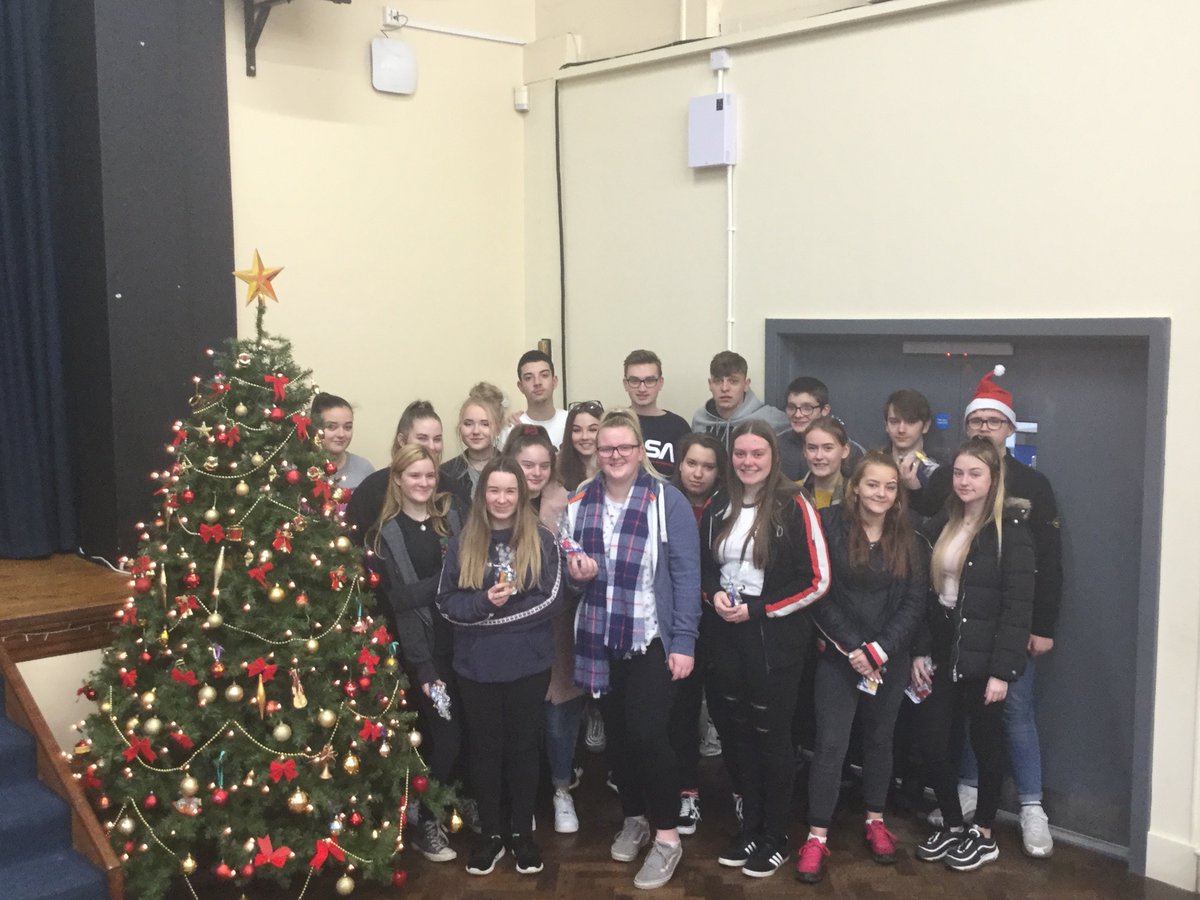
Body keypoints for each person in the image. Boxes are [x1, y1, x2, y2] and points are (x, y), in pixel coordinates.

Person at [911, 368, 1062, 858]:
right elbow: (925, 579)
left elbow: (1034, 579)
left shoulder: (1022, 508)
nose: (964, 481)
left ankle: (1015, 815)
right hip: (949, 644)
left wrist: (1031, 638)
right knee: (944, 735)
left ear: (1008, 429)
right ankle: (961, 813)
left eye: (993, 421)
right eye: (976, 421)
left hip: (997, 643)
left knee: (1004, 724)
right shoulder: (945, 512)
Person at [566, 410, 701, 890]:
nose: (616, 455)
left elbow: (686, 575)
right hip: (598, 639)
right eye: (607, 448)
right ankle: (635, 817)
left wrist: (684, 641)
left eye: (625, 447)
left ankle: (667, 837)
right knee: (619, 739)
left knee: (648, 734)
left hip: (651, 639)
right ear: (596, 452)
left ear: (640, 450)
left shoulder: (667, 500)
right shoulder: (579, 501)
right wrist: (576, 577)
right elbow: (570, 577)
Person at [701, 421, 831, 879]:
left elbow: (818, 580)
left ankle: (775, 836)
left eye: (757, 453)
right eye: (740, 454)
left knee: (772, 739)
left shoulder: (794, 503)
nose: (748, 462)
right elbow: (703, 568)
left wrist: (760, 610)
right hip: (725, 639)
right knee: (737, 735)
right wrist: (714, 594)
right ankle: (750, 827)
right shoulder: (719, 502)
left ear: (773, 457)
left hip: (774, 643)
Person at [794, 452, 928, 883]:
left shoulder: (909, 535)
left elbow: (915, 601)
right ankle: (816, 836)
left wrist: (880, 650)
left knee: (879, 741)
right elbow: (819, 590)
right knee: (830, 746)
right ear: (856, 486)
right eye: (873, 484)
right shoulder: (829, 524)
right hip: (840, 656)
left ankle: (875, 820)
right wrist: (855, 648)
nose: (881, 493)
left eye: (890, 486)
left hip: (888, 658)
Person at [436, 457, 571, 877]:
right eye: (493, 490)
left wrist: (489, 618)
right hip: (475, 668)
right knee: (484, 750)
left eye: (509, 490)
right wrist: (482, 604)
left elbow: (552, 599)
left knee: (524, 749)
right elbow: (447, 603)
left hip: (527, 665)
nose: (501, 498)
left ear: (521, 494)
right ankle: (490, 835)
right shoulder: (462, 542)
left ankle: (521, 834)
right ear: (483, 495)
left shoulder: (542, 539)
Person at [913, 436, 1034, 872]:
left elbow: (1018, 608)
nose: (964, 481)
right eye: (959, 473)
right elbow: (925, 595)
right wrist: (920, 651)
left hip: (985, 655)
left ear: (993, 478)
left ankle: (983, 833)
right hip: (943, 648)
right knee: (932, 740)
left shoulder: (1011, 532)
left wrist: (1002, 672)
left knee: (985, 744)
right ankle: (951, 822)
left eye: (975, 474)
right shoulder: (942, 522)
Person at [366, 444, 466, 864]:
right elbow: (396, 601)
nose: (423, 483)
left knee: (470, 735)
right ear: (398, 480)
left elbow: (471, 575)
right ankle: (424, 817)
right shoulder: (383, 536)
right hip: (424, 654)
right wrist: (446, 581)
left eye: (429, 475)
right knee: (446, 737)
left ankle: (454, 804)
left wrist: (443, 584)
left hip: (465, 646)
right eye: (414, 476)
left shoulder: (452, 521)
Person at [501, 425, 585, 834]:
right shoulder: (496, 500)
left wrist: (579, 576)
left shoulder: (564, 502)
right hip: (510, 628)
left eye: (543, 466)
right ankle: (523, 796)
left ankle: (561, 788)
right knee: (518, 716)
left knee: (559, 714)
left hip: (558, 625)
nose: (535, 473)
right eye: (526, 465)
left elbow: (576, 561)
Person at [669, 433, 733, 835]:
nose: (698, 473)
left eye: (708, 466)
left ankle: (741, 791)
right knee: (682, 712)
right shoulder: (664, 501)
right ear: (680, 464)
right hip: (679, 623)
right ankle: (686, 792)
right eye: (692, 463)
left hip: (723, 623)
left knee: (729, 711)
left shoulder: (729, 506)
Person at [345, 400, 447, 542]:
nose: (431, 446)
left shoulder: (451, 490)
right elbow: (353, 543)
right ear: (402, 441)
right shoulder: (373, 489)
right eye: (422, 438)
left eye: (437, 439)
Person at [691, 351, 789, 449]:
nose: (724, 388)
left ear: (746, 385)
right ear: (710, 384)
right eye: (718, 381)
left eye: (733, 381)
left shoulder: (771, 419)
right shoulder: (700, 418)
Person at [779, 377, 866, 482]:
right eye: (791, 407)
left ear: (825, 410)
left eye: (807, 408)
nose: (798, 414)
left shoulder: (851, 450)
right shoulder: (775, 445)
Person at [622, 349, 691, 478]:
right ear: (626, 384)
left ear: (660, 383)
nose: (642, 388)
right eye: (635, 381)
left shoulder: (679, 427)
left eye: (650, 380)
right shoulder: (615, 423)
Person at [441, 383, 505, 504]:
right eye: (468, 424)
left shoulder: (512, 468)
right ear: (460, 427)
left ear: (498, 428)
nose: (476, 431)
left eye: (485, 424)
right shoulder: (446, 473)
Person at [500, 350, 570, 448]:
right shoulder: (511, 429)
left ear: (554, 381)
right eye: (528, 378)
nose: (537, 382)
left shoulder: (572, 422)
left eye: (544, 375)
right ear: (520, 386)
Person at [311, 392, 374, 490]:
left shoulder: (364, 469)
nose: (341, 434)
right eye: (331, 427)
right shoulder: (299, 469)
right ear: (316, 428)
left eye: (347, 427)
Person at [883, 388, 940, 492]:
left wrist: (915, 489)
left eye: (910, 422)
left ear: (926, 426)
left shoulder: (937, 474)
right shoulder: (871, 466)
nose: (901, 430)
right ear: (886, 425)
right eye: (894, 421)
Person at [801, 416, 852, 510]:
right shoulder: (792, 494)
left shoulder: (856, 496)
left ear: (845, 451)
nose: (819, 456)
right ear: (804, 451)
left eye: (828, 448)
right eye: (812, 448)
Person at [557, 401, 604, 491]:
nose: (585, 437)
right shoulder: (556, 468)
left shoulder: (615, 464)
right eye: (577, 430)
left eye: (592, 430)